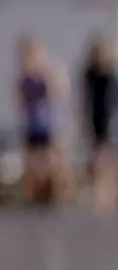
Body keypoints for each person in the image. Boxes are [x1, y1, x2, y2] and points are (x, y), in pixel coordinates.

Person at [17, 38, 65, 205]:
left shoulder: (47, 74)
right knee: (33, 162)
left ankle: (52, 194)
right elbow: (20, 99)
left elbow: (58, 92)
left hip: (47, 124)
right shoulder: (25, 78)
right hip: (32, 125)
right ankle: (35, 194)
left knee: (50, 160)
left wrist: (48, 74)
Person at [82, 38, 118, 211]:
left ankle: (109, 192)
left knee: (108, 156)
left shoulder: (111, 73)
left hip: (108, 117)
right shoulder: (90, 73)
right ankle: (96, 190)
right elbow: (86, 97)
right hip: (95, 116)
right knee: (96, 155)